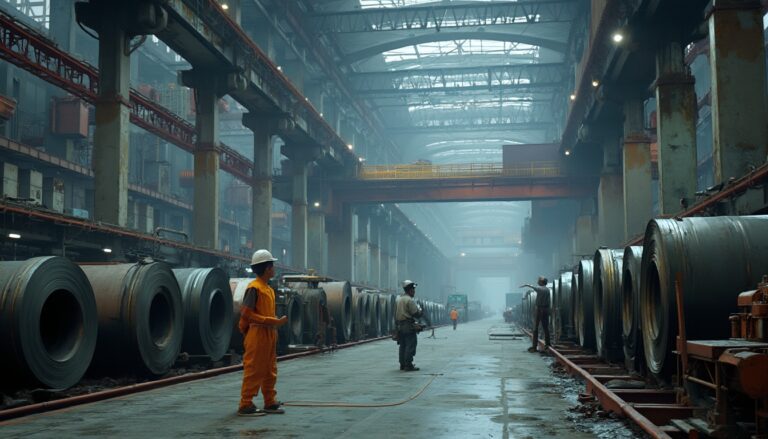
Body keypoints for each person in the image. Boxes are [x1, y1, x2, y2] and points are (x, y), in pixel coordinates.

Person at [238, 249, 289, 416]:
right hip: (258, 334)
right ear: (267, 268)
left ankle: (269, 401)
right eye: (272, 266)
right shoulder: (255, 288)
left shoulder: (268, 289)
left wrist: (273, 325)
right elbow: (246, 313)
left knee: (269, 369)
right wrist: (271, 321)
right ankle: (246, 404)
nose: (274, 269)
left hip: (268, 334)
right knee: (254, 369)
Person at [395, 280, 423, 371]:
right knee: (410, 344)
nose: (414, 291)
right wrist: (420, 311)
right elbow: (415, 313)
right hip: (407, 326)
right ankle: (408, 365)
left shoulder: (399, 299)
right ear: (410, 290)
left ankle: (402, 364)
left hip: (400, 326)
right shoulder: (409, 300)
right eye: (413, 290)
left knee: (402, 345)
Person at [520, 276, 551, 353]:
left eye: (539, 280)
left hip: (539, 309)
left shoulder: (540, 289)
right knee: (546, 327)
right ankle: (548, 344)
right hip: (546, 309)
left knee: (535, 327)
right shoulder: (547, 289)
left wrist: (526, 285)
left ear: (542, 282)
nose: (538, 281)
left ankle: (534, 346)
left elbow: (532, 287)